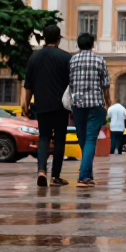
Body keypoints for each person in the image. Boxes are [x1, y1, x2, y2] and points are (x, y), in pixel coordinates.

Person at [23, 22, 72, 188]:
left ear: (44, 37)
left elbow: (28, 84)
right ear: (59, 38)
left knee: (43, 138)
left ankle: (41, 170)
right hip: (61, 106)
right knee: (59, 139)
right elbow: (71, 84)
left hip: (41, 104)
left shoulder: (34, 57)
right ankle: (55, 176)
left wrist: (25, 104)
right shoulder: (66, 57)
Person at [68, 32, 110, 187]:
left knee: (83, 140)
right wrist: (108, 101)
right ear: (93, 44)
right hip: (95, 104)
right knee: (91, 140)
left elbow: (70, 83)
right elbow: (105, 84)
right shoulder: (99, 60)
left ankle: (87, 174)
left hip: (78, 105)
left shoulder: (72, 60)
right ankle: (84, 177)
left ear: (78, 45)